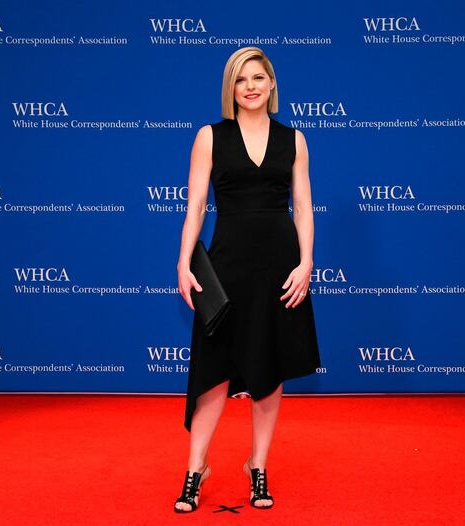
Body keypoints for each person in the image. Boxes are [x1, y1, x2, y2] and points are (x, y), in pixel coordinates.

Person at [173, 47, 321, 513]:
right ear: (231, 89)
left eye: (259, 77)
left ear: (272, 84)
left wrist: (306, 263)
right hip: (227, 267)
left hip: (280, 268)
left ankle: (258, 466)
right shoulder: (209, 137)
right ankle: (196, 468)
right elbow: (195, 206)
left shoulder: (294, 139)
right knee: (214, 377)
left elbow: (304, 207)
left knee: (270, 375)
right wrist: (183, 263)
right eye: (241, 80)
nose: (251, 86)